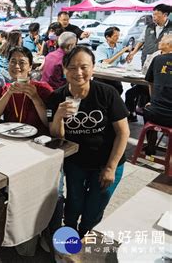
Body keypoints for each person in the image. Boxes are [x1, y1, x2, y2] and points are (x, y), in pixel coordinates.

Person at [47, 46, 130, 238]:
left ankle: (85, 239)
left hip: (107, 161)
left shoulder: (107, 93)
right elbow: (57, 136)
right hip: (76, 161)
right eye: (72, 67)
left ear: (93, 68)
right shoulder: (56, 97)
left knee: (94, 206)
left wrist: (111, 167)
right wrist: (58, 116)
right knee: (74, 202)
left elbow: (123, 132)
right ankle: (68, 239)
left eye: (84, 67)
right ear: (64, 68)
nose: (79, 73)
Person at [0, 46, 52, 135]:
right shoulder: (4, 89)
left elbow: (49, 122)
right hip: (10, 137)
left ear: (30, 67)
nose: (16, 66)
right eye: (13, 62)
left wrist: (35, 98)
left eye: (22, 62)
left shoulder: (43, 88)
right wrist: (8, 93)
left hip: (36, 141)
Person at [143, 34, 172, 155]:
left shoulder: (158, 59)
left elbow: (150, 82)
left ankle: (150, 146)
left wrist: (153, 101)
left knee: (147, 107)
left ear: (170, 45)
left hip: (155, 113)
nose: (159, 41)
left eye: (163, 40)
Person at [94, 26, 131, 95]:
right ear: (108, 37)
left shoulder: (119, 46)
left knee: (119, 89)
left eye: (118, 36)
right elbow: (106, 62)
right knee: (103, 91)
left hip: (113, 74)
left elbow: (122, 62)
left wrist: (128, 58)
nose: (118, 38)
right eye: (115, 36)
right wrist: (121, 52)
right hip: (102, 75)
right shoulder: (101, 48)